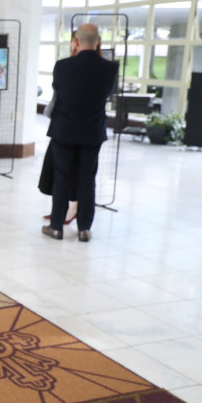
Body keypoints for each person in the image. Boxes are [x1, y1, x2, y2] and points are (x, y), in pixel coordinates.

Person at [43, 23, 118, 242]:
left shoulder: (62, 66)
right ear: (99, 42)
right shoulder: (110, 68)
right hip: (92, 132)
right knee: (88, 179)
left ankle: (56, 226)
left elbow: (60, 91)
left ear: (75, 42)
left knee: (61, 178)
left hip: (64, 130)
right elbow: (107, 95)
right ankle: (84, 228)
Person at [39, 33, 80, 225]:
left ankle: (71, 209)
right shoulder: (66, 65)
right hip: (63, 126)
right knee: (58, 170)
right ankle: (62, 210)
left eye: (73, 41)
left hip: (71, 126)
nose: (71, 44)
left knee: (71, 171)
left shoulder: (68, 66)